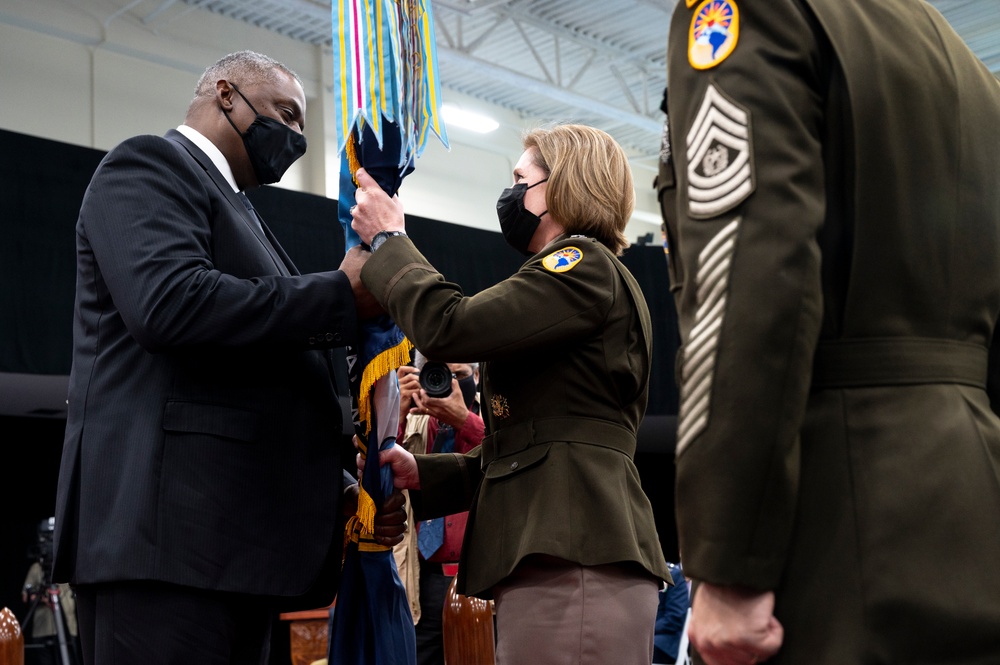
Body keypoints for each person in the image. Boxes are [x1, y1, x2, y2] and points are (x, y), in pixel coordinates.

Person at [658, 2, 1000, 664]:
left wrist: (728, 561)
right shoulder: (971, 73)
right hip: (974, 519)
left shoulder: (752, 13)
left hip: (833, 531)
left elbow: (748, 281)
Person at [51, 50, 406, 665]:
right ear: (224, 94)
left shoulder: (241, 208)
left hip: (231, 548)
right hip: (165, 547)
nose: (294, 137)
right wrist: (338, 293)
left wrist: (340, 485)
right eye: (285, 114)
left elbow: (260, 364)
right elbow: (170, 303)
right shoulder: (150, 164)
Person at [350, 123, 672, 664]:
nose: (512, 193)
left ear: (563, 187)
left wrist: (388, 241)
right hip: (561, 553)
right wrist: (422, 473)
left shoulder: (580, 266)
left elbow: (449, 327)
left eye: (521, 179)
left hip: (574, 557)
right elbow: (525, 451)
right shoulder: (576, 278)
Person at [396, 354, 485, 665]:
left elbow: (504, 468)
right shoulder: (408, 420)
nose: (445, 383)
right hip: (420, 580)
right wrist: (394, 412)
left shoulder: (497, 420)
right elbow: (377, 482)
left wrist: (464, 421)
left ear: (477, 377)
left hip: (481, 581)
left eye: (458, 374)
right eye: (437, 374)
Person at [653, 562, 690, 665]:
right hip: (644, 636)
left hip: (664, 639)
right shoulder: (640, 573)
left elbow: (675, 617)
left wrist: (647, 630)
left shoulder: (674, 574)